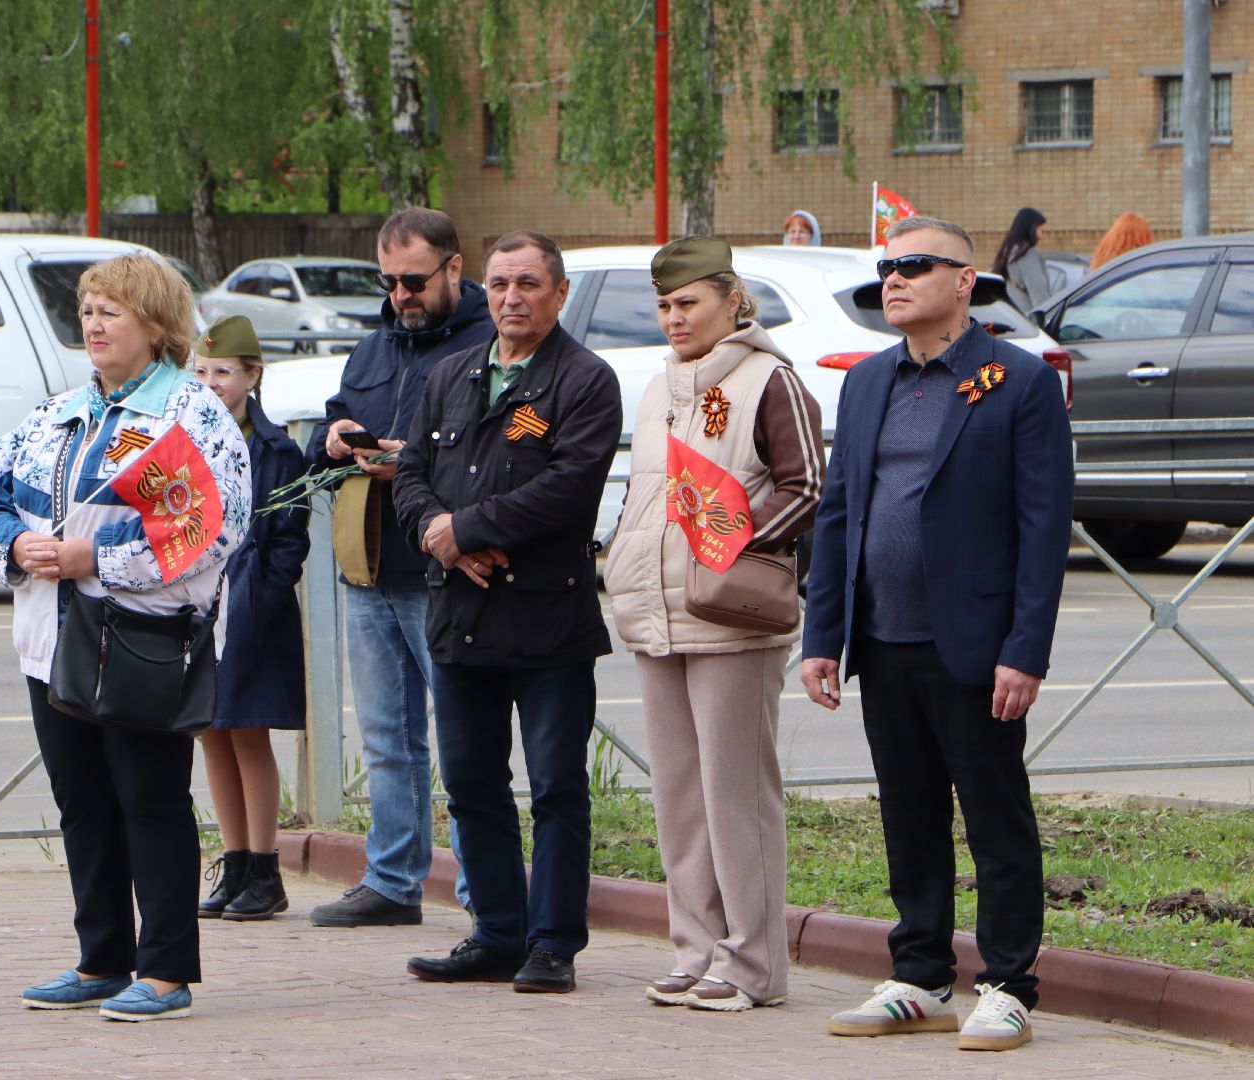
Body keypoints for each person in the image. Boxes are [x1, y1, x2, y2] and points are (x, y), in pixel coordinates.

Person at [799, 216, 1073, 1052]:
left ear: (964, 281)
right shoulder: (869, 380)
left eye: (916, 265)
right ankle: (919, 974)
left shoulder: (1016, 380)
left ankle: (1008, 984)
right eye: (889, 268)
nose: (896, 280)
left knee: (994, 816)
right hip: (885, 638)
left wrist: (1024, 649)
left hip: (976, 642)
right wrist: (825, 635)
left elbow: (1043, 525)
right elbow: (841, 512)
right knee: (908, 812)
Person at [0, 253, 252, 1022]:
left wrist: (98, 558)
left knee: (150, 800)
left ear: (156, 326)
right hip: (49, 640)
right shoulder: (59, 411)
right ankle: (101, 958)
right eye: (88, 309)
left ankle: (164, 968)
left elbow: (209, 527)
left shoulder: (188, 415)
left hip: (140, 640)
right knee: (82, 802)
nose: (92, 323)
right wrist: (14, 550)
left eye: (110, 310)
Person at [393, 230, 624, 994]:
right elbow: (411, 475)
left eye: (528, 284)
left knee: (556, 787)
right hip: (459, 614)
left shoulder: (585, 380)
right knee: (471, 784)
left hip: (546, 623)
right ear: (479, 292)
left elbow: (568, 486)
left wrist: (471, 527)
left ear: (557, 294)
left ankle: (553, 942)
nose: (512, 298)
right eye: (498, 284)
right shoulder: (450, 373)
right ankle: (497, 931)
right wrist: (442, 537)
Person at [604, 237, 824, 1013]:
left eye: (688, 302)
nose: (674, 318)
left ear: (733, 301)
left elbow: (805, 487)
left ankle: (755, 963)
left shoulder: (772, 380)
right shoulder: (660, 386)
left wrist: (725, 538)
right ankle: (697, 949)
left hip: (732, 614)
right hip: (656, 610)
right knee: (680, 795)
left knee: (737, 796)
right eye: (664, 305)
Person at [308, 207, 497, 929]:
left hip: (443, 569)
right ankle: (392, 880)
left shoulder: (489, 342)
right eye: (388, 282)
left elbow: (493, 455)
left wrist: (409, 462)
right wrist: (333, 440)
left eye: (413, 281)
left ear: (454, 267)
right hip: (370, 566)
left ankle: (485, 894)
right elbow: (337, 416)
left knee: (463, 743)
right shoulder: (374, 346)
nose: (400, 297)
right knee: (387, 738)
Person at [191, 315, 310, 922]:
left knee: (248, 732)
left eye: (225, 373)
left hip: (250, 605)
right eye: (203, 372)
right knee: (211, 732)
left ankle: (266, 867)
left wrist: (263, 589)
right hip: (196, 602)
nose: (212, 384)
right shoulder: (182, 438)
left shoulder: (276, 448)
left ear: (252, 375)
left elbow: (290, 538)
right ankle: (234, 860)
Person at [991, 207, 1052, 312]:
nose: (1041, 235)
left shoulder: (1006, 253)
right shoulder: (1029, 255)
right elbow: (1039, 296)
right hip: (1027, 320)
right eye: (1040, 229)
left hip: (1010, 316)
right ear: (1030, 229)